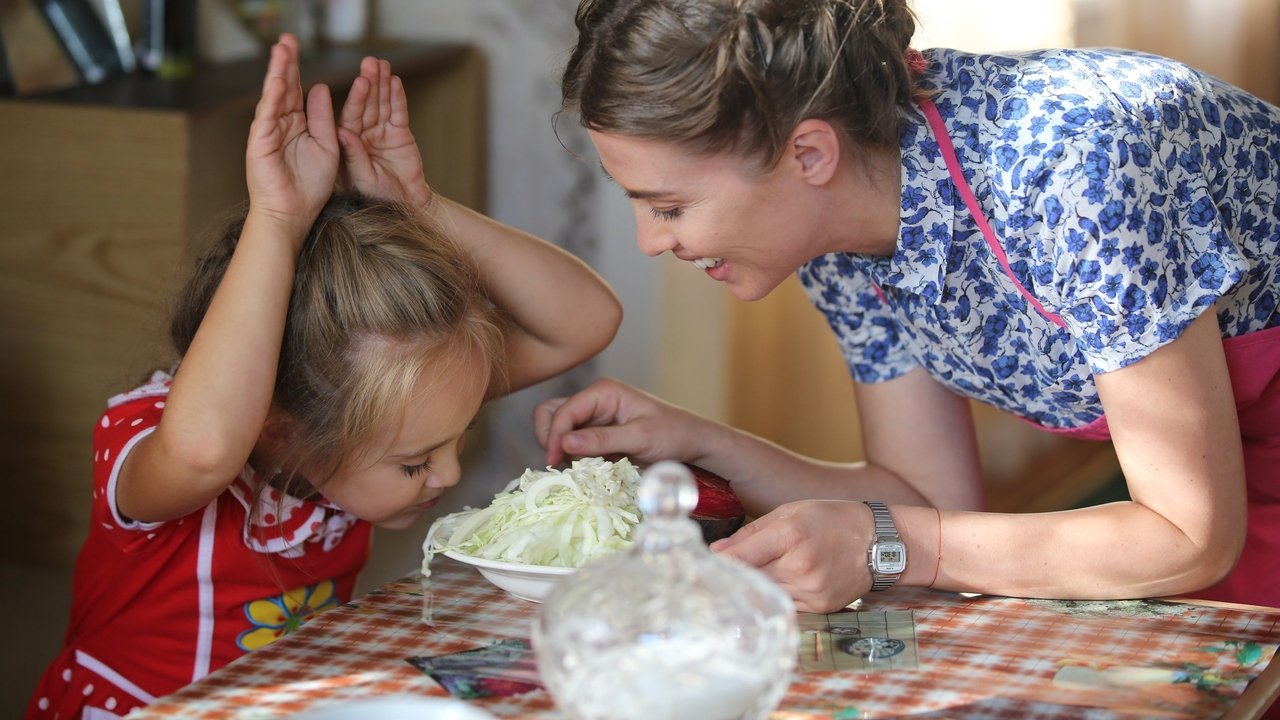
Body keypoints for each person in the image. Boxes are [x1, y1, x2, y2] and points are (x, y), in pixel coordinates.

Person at [534, 0, 1280, 616]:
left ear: (808, 155)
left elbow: (1187, 536)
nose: (648, 242)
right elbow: (928, 500)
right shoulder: (836, 227)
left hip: (1201, 512)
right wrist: (693, 442)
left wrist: (880, 544)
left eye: (669, 206)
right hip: (1216, 490)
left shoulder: (1077, 164)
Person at [28, 34, 620, 720]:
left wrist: (420, 206)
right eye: (415, 462)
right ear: (282, 428)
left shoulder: (382, 401)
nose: (450, 474)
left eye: (456, 439)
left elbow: (584, 321)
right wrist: (278, 222)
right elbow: (205, 450)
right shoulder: (163, 434)